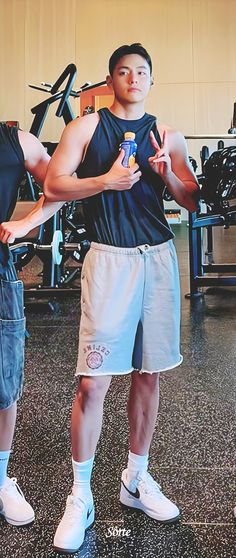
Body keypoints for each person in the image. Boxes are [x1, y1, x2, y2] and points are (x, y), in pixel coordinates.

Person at [44, 43, 200, 554]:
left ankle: (135, 479)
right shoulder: (86, 129)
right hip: (108, 259)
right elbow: (53, 184)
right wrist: (104, 180)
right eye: (124, 71)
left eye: (142, 71)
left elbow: (191, 198)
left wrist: (166, 173)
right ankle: (81, 494)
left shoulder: (167, 134)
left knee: (148, 374)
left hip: (156, 259)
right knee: (93, 383)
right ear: (110, 80)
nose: (133, 77)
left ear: (151, 80)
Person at [0, 122, 64, 526]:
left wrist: (25, 224)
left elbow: (60, 182)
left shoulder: (14, 140)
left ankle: (1, 478)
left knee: (4, 382)